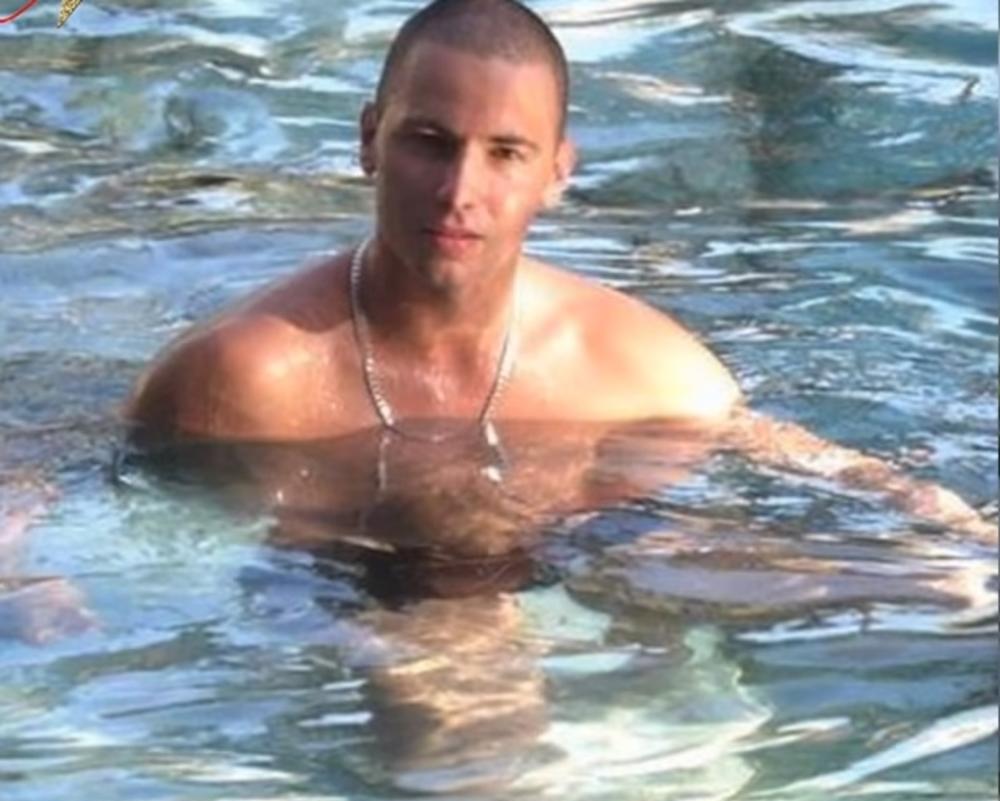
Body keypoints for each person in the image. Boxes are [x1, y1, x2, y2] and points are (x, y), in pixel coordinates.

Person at [124, 0, 995, 547]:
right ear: (368, 141)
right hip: (322, 606)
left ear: (556, 172)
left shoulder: (632, 363)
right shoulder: (246, 377)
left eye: (505, 153)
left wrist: (943, 522)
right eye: (429, 142)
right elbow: (101, 495)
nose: (460, 191)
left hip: (569, 586)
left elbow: (779, 451)